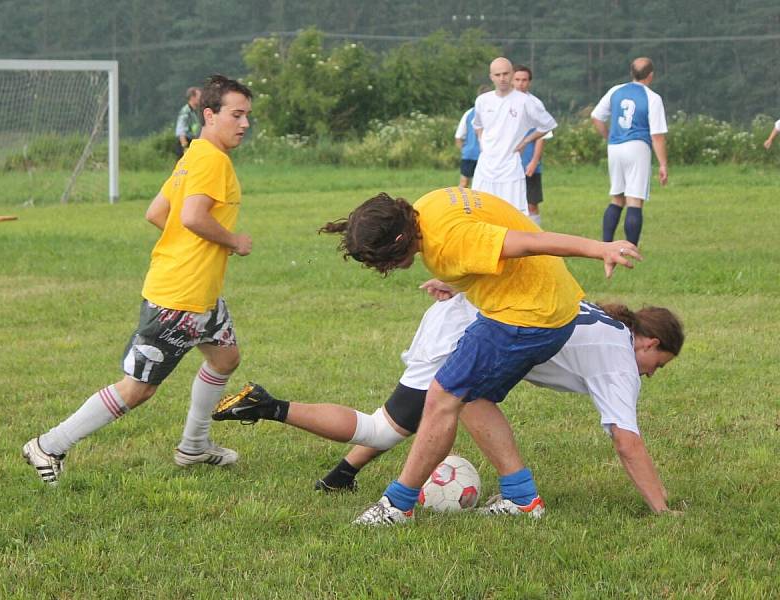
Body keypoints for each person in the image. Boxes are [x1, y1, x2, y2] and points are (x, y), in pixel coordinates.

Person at [316, 188, 640, 525]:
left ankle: (397, 506)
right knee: (470, 395)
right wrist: (458, 281)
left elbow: (529, 243)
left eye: (385, 260)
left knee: (442, 397)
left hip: (528, 313)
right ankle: (522, 499)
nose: (387, 269)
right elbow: (489, 236)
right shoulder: (428, 207)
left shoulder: (449, 242)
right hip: (543, 300)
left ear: (399, 238)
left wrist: (598, 248)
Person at [213, 295, 684, 514]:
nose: (650, 374)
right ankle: (269, 406)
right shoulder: (619, 358)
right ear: (649, 342)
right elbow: (626, 441)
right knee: (390, 426)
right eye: (657, 365)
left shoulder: (603, 319)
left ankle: (341, 475)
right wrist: (662, 509)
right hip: (459, 331)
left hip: (462, 317)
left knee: (424, 412)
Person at [22, 75, 254, 485]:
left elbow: (156, 213)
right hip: (178, 298)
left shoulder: (194, 156)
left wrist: (189, 247)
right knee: (137, 389)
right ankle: (49, 445)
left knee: (225, 358)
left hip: (201, 294)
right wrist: (233, 240)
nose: (244, 124)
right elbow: (192, 217)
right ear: (209, 114)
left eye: (247, 116)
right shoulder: (211, 160)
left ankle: (194, 446)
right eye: (236, 115)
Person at [591, 57, 668, 246]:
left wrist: (608, 136)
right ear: (651, 76)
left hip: (615, 147)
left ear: (631, 73)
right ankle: (631, 247)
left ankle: (605, 245)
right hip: (637, 147)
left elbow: (596, 117)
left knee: (617, 197)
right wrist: (663, 164)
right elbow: (657, 136)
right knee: (634, 199)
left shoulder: (615, 91)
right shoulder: (652, 97)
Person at [472, 57, 558, 215]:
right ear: (491, 77)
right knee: (481, 212)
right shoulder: (483, 101)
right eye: (497, 75)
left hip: (510, 168)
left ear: (511, 74)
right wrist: (484, 144)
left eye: (505, 74)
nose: (502, 78)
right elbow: (478, 125)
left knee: (513, 214)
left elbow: (548, 124)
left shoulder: (525, 101)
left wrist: (526, 140)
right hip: (485, 169)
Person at [512, 65, 550, 226]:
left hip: (528, 163)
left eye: (524, 80)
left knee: (531, 204)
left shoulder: (535, 103)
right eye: (517, 79)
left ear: (529, 82)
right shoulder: (503, 101)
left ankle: (536, 239)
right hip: (508, 164)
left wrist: (534, 160)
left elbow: (543, 135)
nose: (521, 83)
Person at [454, 86, 489, 188]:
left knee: (482, 186)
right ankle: (459, 203)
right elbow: (459, 137)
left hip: (486, 157)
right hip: (469, 156)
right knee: (464, 183)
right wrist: (465, 150)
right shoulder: (469, 113)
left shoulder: (495, 114)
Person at [175, 86, 202, 158]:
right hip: (186, 143)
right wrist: (185, 147)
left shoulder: (195, 112)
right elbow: (181, 130)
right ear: (192, 97)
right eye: (199, 96)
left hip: (193, 143)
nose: (201, 99)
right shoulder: (185, 112)